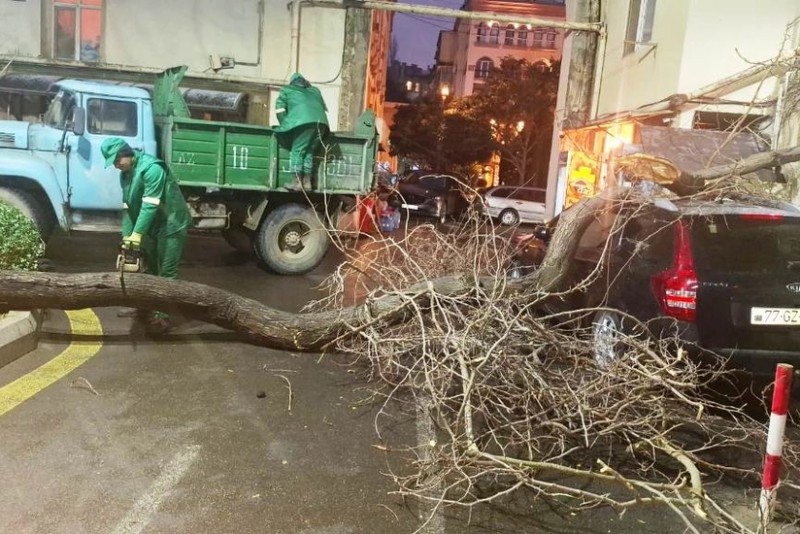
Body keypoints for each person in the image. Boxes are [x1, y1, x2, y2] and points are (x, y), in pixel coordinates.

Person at [100, 137, 193, 335]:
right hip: (151, 226)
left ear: (127, 153)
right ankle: (145, 306)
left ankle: (162, 317)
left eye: (117, 161)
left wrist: (137, 233)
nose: (116, 166)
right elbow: (127, 207)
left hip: (171, 225)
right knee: (150, 269)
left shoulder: (152, 169)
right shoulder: (125, 175)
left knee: (166, 272)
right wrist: (127, 237)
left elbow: (150, 205)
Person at [274, 72, 330, 191]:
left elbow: (280, 110)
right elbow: (322, 107)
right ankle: (307, 183)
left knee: (298, 150)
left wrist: (286, 125)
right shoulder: (315, 91)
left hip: (303, 122)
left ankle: (297, 182)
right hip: (321, 123)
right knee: (309, 151)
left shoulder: (287, 90)